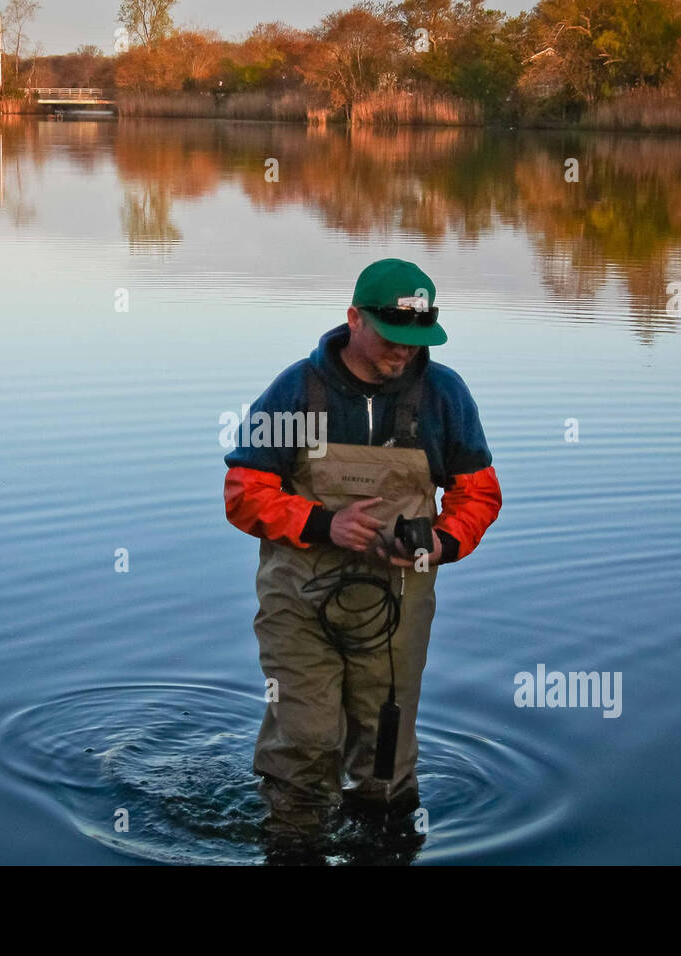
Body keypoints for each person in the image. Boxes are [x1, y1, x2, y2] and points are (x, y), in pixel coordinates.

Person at [223, 258, 503, 849]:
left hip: (399, 601)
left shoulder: (445, 394)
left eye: (417, 340)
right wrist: (325, 523)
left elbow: (478, 494)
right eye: (393, 337)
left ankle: (385, 840)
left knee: (387, 754)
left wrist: (442, 541)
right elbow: (244, 495)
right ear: (354, 319)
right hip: (299, 597)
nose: (405, 352)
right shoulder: (297, 390)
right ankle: (293, 843)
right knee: (304, 739)